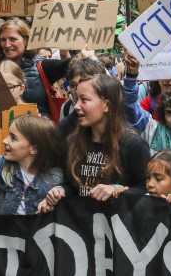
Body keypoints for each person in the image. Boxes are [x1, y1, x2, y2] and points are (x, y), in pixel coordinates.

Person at [39, 74, 150, 210]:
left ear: (106, 105)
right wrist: (59, 191)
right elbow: (71, 185)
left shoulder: (133, 145)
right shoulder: (71, 142)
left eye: (84, 100)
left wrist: (116, 190)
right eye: (77, 98)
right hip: (80, 226)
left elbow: (147, 191)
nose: (76, 106)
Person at [0, 115, 65, 215]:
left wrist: (57, 193)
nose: (5, 140)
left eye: (13, 138)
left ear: (33, 149)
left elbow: (68, 192)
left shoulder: (55, 177)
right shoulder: (3, 163)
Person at [0, 18, 69, 117]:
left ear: (26, 41)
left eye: (13, 39)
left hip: (37, 130)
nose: (7, 44)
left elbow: (71, 66)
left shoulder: (43, 67)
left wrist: (71, 53)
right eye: (3, 40)